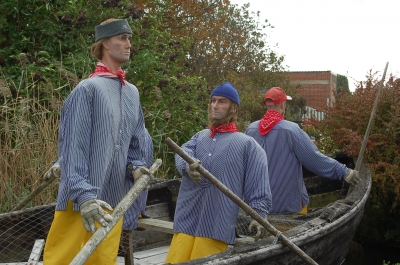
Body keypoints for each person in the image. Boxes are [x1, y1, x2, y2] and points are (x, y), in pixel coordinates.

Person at [43, 19, 153, 265]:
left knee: (102, 262)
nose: (128, 44)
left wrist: (136, 168)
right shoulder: (87, 89)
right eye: (122, 38)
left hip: (112, 204)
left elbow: (136, 142)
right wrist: (83, 196)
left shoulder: (132, 93)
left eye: (129, 39)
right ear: (105, 43)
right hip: (80, 204)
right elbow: (73, 149)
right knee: (64, 261)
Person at [165, 82, 272, 264]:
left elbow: (258, 185)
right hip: (186, 220)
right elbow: (182, 152)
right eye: (213, 101)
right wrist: (188, 167)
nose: (215, 105)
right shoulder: (199, 137)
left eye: (222, 101)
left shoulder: (248, 145)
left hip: (216, 225)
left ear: (233, 107)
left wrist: (259, 215)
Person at [245, 87, 361, 215]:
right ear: (283, 105)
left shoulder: (251, 130)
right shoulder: (292, 131)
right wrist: (344, 172)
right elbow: (314, 160)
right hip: (288, 209)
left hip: (256, 210)